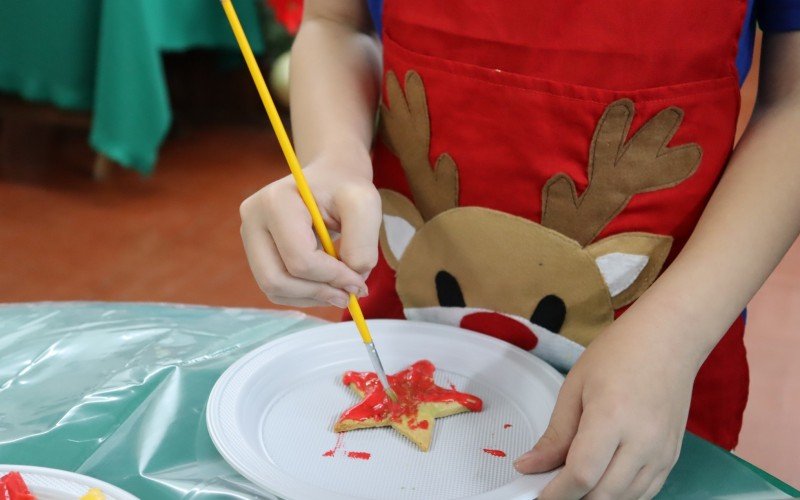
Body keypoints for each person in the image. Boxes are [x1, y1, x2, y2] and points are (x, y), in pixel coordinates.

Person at [239, 0, 800, 497]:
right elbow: (337, 20)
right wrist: (332, 157)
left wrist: (675, 332)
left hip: (656, 338)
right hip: (408, 312)